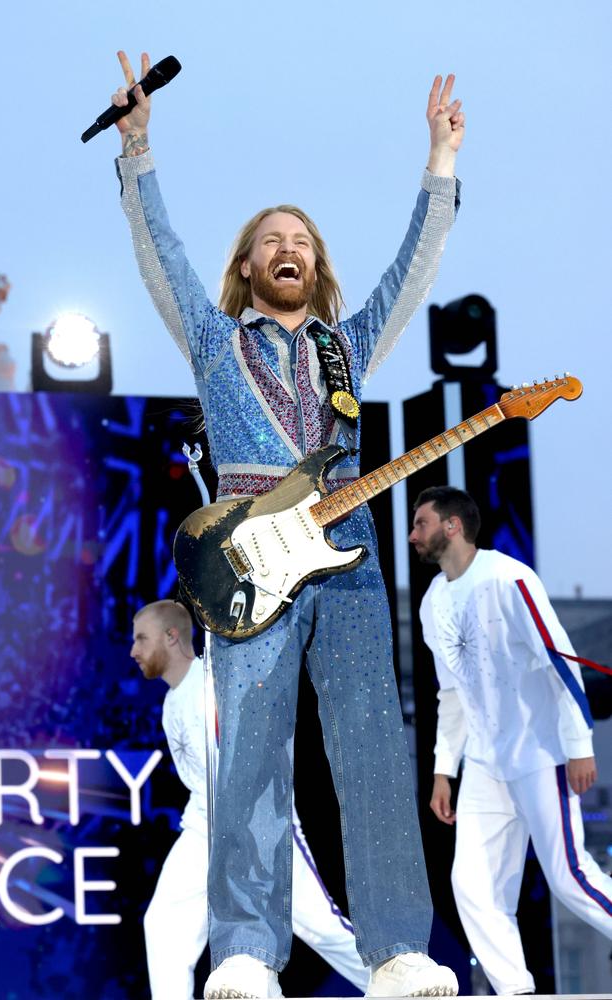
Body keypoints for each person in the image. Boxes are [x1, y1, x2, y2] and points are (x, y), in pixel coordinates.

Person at [113, 50, 465, 998]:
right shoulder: (218, 341)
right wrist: (138, 153)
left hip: (344, 557)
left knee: (372, 751)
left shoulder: (346, 346)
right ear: (249, 264)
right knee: (253, 759)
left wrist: (438, 166)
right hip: (249, 567)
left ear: (315, 262)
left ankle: (396, 951)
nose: (287, 247)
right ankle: (244, 954)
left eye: (300, 238)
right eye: (271, 238)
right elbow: (164, 255)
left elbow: (411, 269)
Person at [409, 485, 612, 996]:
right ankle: (515, 991)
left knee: (569, 877)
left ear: (452, 526)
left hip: (541, 752)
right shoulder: (433, 603)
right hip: (483, 763)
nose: (413, 534)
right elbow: (450, 694)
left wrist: (578, 743)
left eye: (421, 523)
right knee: (471, 886)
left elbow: (559, 659)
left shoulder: (509, 578)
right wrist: (443, 770)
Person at [131, 599, 370, 1000]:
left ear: (171, 637)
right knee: (163, 924)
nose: (134, 650)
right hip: (204, 828)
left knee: (319, 926)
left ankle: (393, 985)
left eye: (141, 638)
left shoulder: (215, 681)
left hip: (259, 825)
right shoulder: (174, 699)